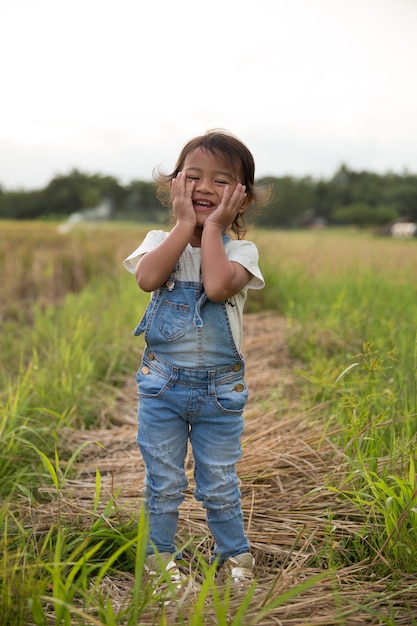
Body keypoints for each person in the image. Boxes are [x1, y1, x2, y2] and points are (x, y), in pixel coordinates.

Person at [123, 129, 265, 592]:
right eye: (195, 176)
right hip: (162, 389)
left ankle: (234, 556)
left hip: (220, 397)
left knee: (219, 483)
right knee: (163, 482)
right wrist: (185, 227)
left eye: (222, 181)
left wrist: (214, 231)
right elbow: (148, 278)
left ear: (241, 199)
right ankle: (158, 559)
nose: (205, 188)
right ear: (175, 185)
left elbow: (219, 285)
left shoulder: (241, 252)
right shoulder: (157, 240)